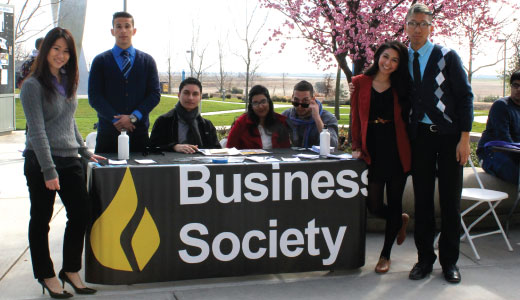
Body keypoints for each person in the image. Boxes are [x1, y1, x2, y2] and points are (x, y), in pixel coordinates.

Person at [20, 27, 104, 298]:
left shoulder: (68, 80)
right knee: (41, 218)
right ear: (45, 51)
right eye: (55, 49)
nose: (61, 55)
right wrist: (48, 170)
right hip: (42, 160)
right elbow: (37, 130)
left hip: (69, 159)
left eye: (66, 50)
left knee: (81, 213)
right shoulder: (32, 86)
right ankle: (45, 274)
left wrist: (83, 150)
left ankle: (70, 270)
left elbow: (67, 121)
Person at [405, 3, 473, 284]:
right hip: (419, 139)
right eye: (413, 23)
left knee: (450, 202)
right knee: (421, 202)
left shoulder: (446, 56)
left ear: (431, 27)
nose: (418, 29)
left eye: (423, 24)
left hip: (448, 138)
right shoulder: (400, 57)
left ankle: (449, 262)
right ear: (405, 26)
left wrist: (465, 139)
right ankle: (424, 259)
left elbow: (465, 97)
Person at [351, 41, 412, 274]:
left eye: (395, 60)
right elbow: (356, 118)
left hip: (397, 149)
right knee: (374, 205)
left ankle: (385, 255)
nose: (389, 63)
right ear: (377, 56)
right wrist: (356, 145)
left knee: (395, 201)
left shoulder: (403, 86)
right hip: (372, 148)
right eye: (386, 57)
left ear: (399, 65)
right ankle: (400, 220)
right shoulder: (359, 83)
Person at [88, 11, 160, 153]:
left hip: (138, 133)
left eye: (127, 26)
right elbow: (95, 97)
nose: (123, 30)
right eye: (118, 26)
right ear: (112, 31)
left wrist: (133, 118)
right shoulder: (100, 61)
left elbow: (154, 95)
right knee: (106, 175)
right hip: (108, 134)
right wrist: (116, 120)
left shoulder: (147, 61)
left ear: (134, 31)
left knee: (142, 175)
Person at [149, 77, 221, 153]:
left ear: (200, 97)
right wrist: (173, 147)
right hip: (172, 164)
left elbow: (217, 151)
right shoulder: (163, 121)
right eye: (186, 93)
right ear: (179, 95)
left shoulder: (207, 125)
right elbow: (152, 148)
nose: (190, 98)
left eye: (195, 94)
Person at [477, 70, 520, 184]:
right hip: (492, 153)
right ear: (511, 86)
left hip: (514, 154)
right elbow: (503, 138)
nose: (519, 89)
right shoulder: (501, 106)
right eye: (516, 85)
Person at [227, 85, 291, 149]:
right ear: (251, 106)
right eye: (255, 103)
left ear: (269, 102)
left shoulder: (280, 121)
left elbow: (285, 150)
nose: (260, 106)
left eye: (263, 102)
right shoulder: (242, 123)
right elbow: (230, 149)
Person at [282, 80, 338, 149]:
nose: (300, 106)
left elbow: (332, 146)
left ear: (313, 99)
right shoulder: (286, 116)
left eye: (305, 102)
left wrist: (317, 119)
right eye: (296, 102)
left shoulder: (328, 118)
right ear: (292, 98)